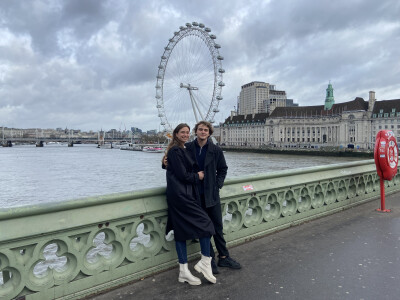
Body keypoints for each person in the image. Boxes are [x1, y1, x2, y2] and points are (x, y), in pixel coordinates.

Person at [164, 121, 241, 275]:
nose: (203, 132)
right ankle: (210, 260)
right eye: (200, 129)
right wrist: (164, 162)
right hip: (193, 194)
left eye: (206, 130)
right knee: (203, 228)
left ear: (209, 133)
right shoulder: (187, 147)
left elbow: (223, 169)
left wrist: (217, 185)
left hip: (211, 194)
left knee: (217, 227)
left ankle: (224, 256)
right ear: (196, 131)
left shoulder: (215, 150)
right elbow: (176, 162)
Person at [164, 123, 217, 285]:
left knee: (180, 231)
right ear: (176, 134)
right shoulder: (175, 150)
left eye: (187, 132)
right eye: (182, 132)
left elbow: (175, 167)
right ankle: (205, 262)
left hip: (183, 194)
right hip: (181, 195)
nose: (186, 135)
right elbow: (182, 174)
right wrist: (198, 176)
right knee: (206, 224)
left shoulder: (183, 149)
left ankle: (184, 271)